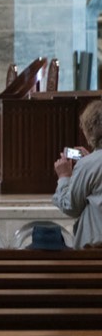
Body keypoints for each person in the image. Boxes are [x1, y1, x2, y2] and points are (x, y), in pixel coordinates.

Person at [52, 99, 102, 247]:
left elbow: (71, 207)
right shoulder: (89, 163)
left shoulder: (88, 164)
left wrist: (64, 177)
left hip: (96, 249)